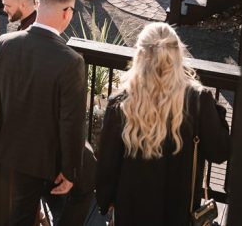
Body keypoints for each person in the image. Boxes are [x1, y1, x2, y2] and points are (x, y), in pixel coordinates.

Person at [95, 23, 231, 224]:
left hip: (132, 209)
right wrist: (216, 111)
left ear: (139, 56)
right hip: (179, 210)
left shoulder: (122, 102)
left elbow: (107, 161)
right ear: (177, 55)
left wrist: (106, 200)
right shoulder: (198, 99)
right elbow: (219, 152)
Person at [0, 0, 86, 226]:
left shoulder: (5, 43)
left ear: (37, 4)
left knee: (22, 211)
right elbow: (71, 121)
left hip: (12, 148)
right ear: (67, 12)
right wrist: (70, 169)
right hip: (47, 158)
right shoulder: (70, 61)